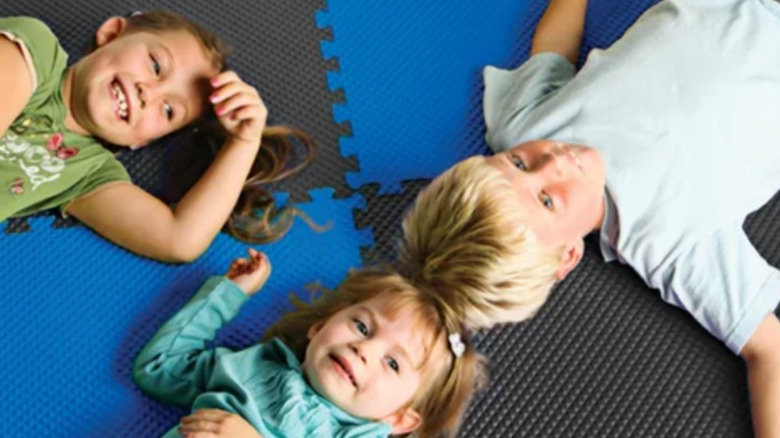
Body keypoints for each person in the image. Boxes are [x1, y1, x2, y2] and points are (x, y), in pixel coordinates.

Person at [401, 0, 780, 436]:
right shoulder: (668, 245)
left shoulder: (524, 127)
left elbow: (554, 49)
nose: (553, 162)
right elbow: (768, 349)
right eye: (547, 200)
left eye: (518, 164)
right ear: (567, 255)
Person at [0, 12, 315, 262]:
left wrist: (244, 141)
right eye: (155, 64)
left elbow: (180, 240)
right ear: (112, 34)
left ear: (141, 142)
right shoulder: (35, 49)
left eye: (168, 110)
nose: (147, 93)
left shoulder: (86, 173)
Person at [134, 248, 486, 438]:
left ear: (398, 419)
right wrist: (229, 293)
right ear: (319, 328)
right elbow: (159, 367)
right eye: (362, 326)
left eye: (393, 363)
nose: (364, 349)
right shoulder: (250, 366)